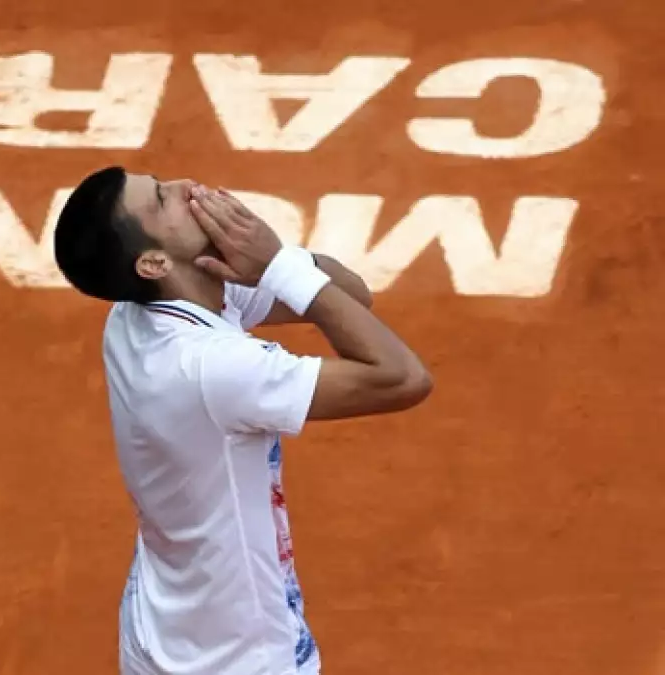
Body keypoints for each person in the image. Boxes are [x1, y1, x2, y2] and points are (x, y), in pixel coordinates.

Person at [52, 166, 433, 675]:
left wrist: (273, 263)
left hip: (165, 633)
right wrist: (275, 264)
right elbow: (403, 377)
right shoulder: (211, 369)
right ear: (153, 261)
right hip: (237, 657)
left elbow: (350, 293)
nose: (186, 187)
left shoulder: (138, 310)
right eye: (163, 200)